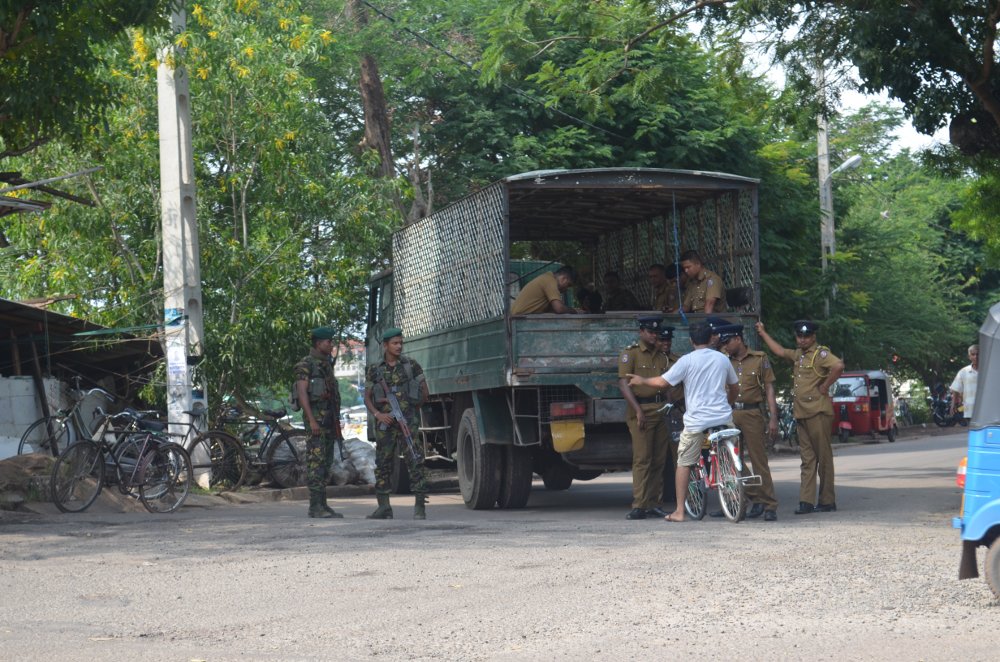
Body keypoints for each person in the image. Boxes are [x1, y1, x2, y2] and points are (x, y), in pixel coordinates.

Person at [627, 322, 738, 522]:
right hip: (723, 417)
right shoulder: (722, 359)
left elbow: (662, 382)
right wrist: (727, 405)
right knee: (730, 452)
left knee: (684, 462)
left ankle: (679, 511)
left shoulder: (686, 361)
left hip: (697, 421)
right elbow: (734, 387)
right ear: (711, 338)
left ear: (690, 340)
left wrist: (641, 381)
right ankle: (734, 493)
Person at [757, 319, 844, 515]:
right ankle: (806, 501)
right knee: (807, 459)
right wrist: (763, 333)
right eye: (799, 336)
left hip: (818, 412)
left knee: (823, 458)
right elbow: (779, 351)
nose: (802, 340)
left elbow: (838, 365)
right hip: (802, 412)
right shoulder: (799, 355)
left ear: (813, 337)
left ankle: (827, 500)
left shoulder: (820, 354)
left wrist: (825, 386)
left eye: (806, 336)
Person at [364, 328, 430, 520]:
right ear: (385, 345)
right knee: (383, 463)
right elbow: (367, 397)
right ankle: (384, 507)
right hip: (386, 423)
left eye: (401, 343)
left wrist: (411, 411)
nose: (399, 346)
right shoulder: (375, 369)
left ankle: (419, 507)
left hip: (407, 422)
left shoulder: (411, 365)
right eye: (395, 343)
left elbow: (425, 392)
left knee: (415, 460)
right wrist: (378, 414)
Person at [716, 324, 779, 521]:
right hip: (731, 413)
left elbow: (769, 388)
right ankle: (744, 498)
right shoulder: (724, 361)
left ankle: (769, 505)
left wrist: (773, 417)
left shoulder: (760, 359)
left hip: (752, 413)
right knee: (729, 459)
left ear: (738, 339)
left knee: (759, 460)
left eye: (727, 342)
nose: (725, 346)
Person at [618, 316, 672, 520]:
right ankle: (639, 504)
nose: (654, 335)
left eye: (656, 332)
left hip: (660, 409)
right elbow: (623, 384)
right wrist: (638, 410)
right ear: (641, 332)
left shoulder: (662, 356)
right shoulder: (630, 354)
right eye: (650, 332)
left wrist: (669, 407)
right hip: (641, 409)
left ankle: (654, 503)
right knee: (642, 459)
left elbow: (666, 383)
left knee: (659, 459)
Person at [294, 326, 344, 519]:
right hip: (317, 422)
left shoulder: (325, 365)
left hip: (329, 421)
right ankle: (315, 506)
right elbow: (302, 393)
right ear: (318, 343)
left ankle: (323, 504)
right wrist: (312, 420)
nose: (331, 345)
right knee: (316, 464)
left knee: (326, 463)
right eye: (328, 342)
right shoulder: (306, 364)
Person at [510, 265, 578, 315]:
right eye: (568, 285)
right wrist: (575, 311)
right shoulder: (550, 281)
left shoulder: (546, 278)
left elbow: (553, 309)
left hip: (517, 318)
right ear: (563, 279)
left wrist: (572, 310)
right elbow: (559, 309)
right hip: (520, 320)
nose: (567, 289)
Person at [950, 344, 979, 422]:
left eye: (978, 354)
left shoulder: (988, 370)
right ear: (969, 356)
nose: (976, 357)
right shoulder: (963, 372)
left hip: (986, 409)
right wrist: (953, 405)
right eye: (973, 354)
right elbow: (956, 389)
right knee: (974, 433)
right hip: (970, 409)